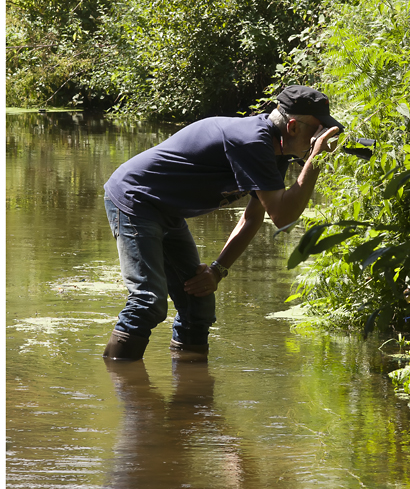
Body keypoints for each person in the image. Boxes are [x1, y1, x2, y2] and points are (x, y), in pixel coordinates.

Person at [102, 85, 343, 361]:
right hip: (135, 199)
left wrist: (217, 270)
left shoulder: (276, 153)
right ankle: (122, 381)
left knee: (198, 303)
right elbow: (283, 216)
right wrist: (316, 160)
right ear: (291, 126)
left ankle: (191, 396)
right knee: (148, 302)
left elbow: (255, 216)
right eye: (317, 130)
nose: (320, 138)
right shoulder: (252, 141)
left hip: (166, 211)